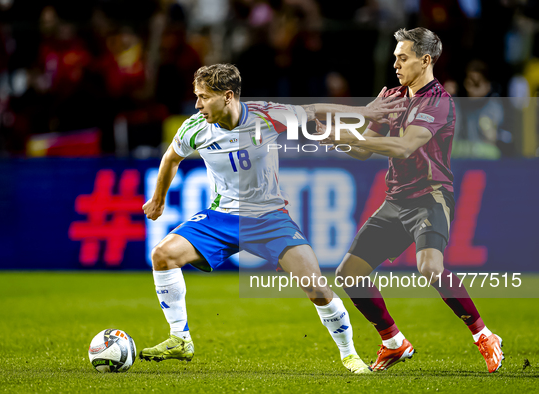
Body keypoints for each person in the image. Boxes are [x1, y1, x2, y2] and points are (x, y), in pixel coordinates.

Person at [140, 63, 399, 374]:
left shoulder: (266, 115)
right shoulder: (194, 128)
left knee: (316, 288)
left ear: (228, 96)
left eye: (204, 97)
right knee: (163, 254)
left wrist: (367, 113)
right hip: (221, 217)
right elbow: (171, 158)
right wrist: (158, 198)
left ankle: (349, 355)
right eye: (196, 96)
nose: (197, 105)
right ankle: (180, 338)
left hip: (270, 219)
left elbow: (315, 110)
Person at [316, 27, 504, 373]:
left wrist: (351, 132)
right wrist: (338, 138)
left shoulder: (439, 101)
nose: (396, 63)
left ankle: (484, 335)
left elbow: (403, 146)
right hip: (396, 198)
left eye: (403, 57)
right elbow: (361, 151)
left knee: (430, 266)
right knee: (349, 274)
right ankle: (393, 342)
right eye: (395, 57)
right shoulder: (391, 95)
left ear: (426, 60)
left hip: (431, 196)